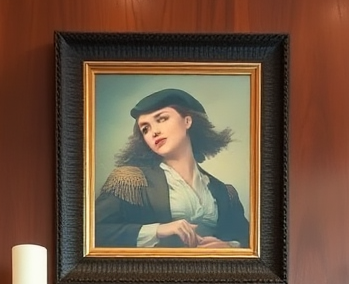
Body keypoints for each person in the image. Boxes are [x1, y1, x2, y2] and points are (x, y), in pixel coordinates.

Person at [94, 87, 249, 250]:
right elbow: (93, 231)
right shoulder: (129, 180)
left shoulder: (224, 191)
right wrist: (158, 230)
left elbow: (251, 241)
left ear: (187, 121)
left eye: (161, 119)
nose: (154, 132)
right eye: (145, 129)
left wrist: (231, 247)